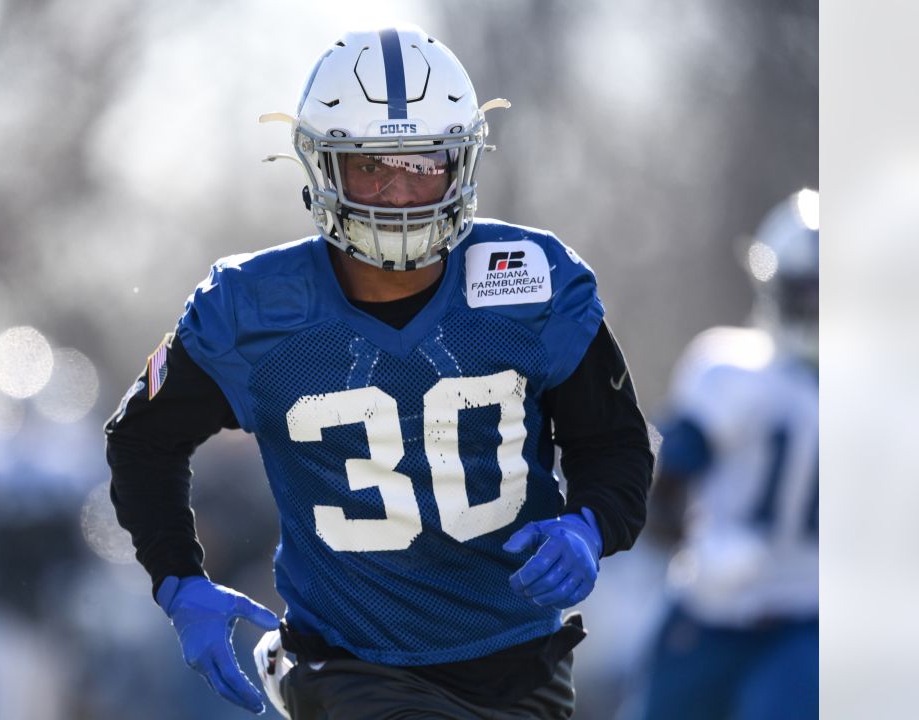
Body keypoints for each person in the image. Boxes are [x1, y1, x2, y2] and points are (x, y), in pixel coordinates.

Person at [106, 25, 653, 719]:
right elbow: (140, 438)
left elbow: (615, 446)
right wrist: (178, 578)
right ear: (323, 167)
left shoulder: (532, 282)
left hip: (521, 662)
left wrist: (590, 525)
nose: (399, 193)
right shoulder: (253, 307)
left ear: (462, 163)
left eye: (424, 165)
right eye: (371, 167)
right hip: (348, 664)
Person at [632, 190, 819, 720]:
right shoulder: (731, 371)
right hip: (708, 612)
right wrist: (697, 540)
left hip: (809, 627)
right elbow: (656, 485)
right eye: (810, 293)